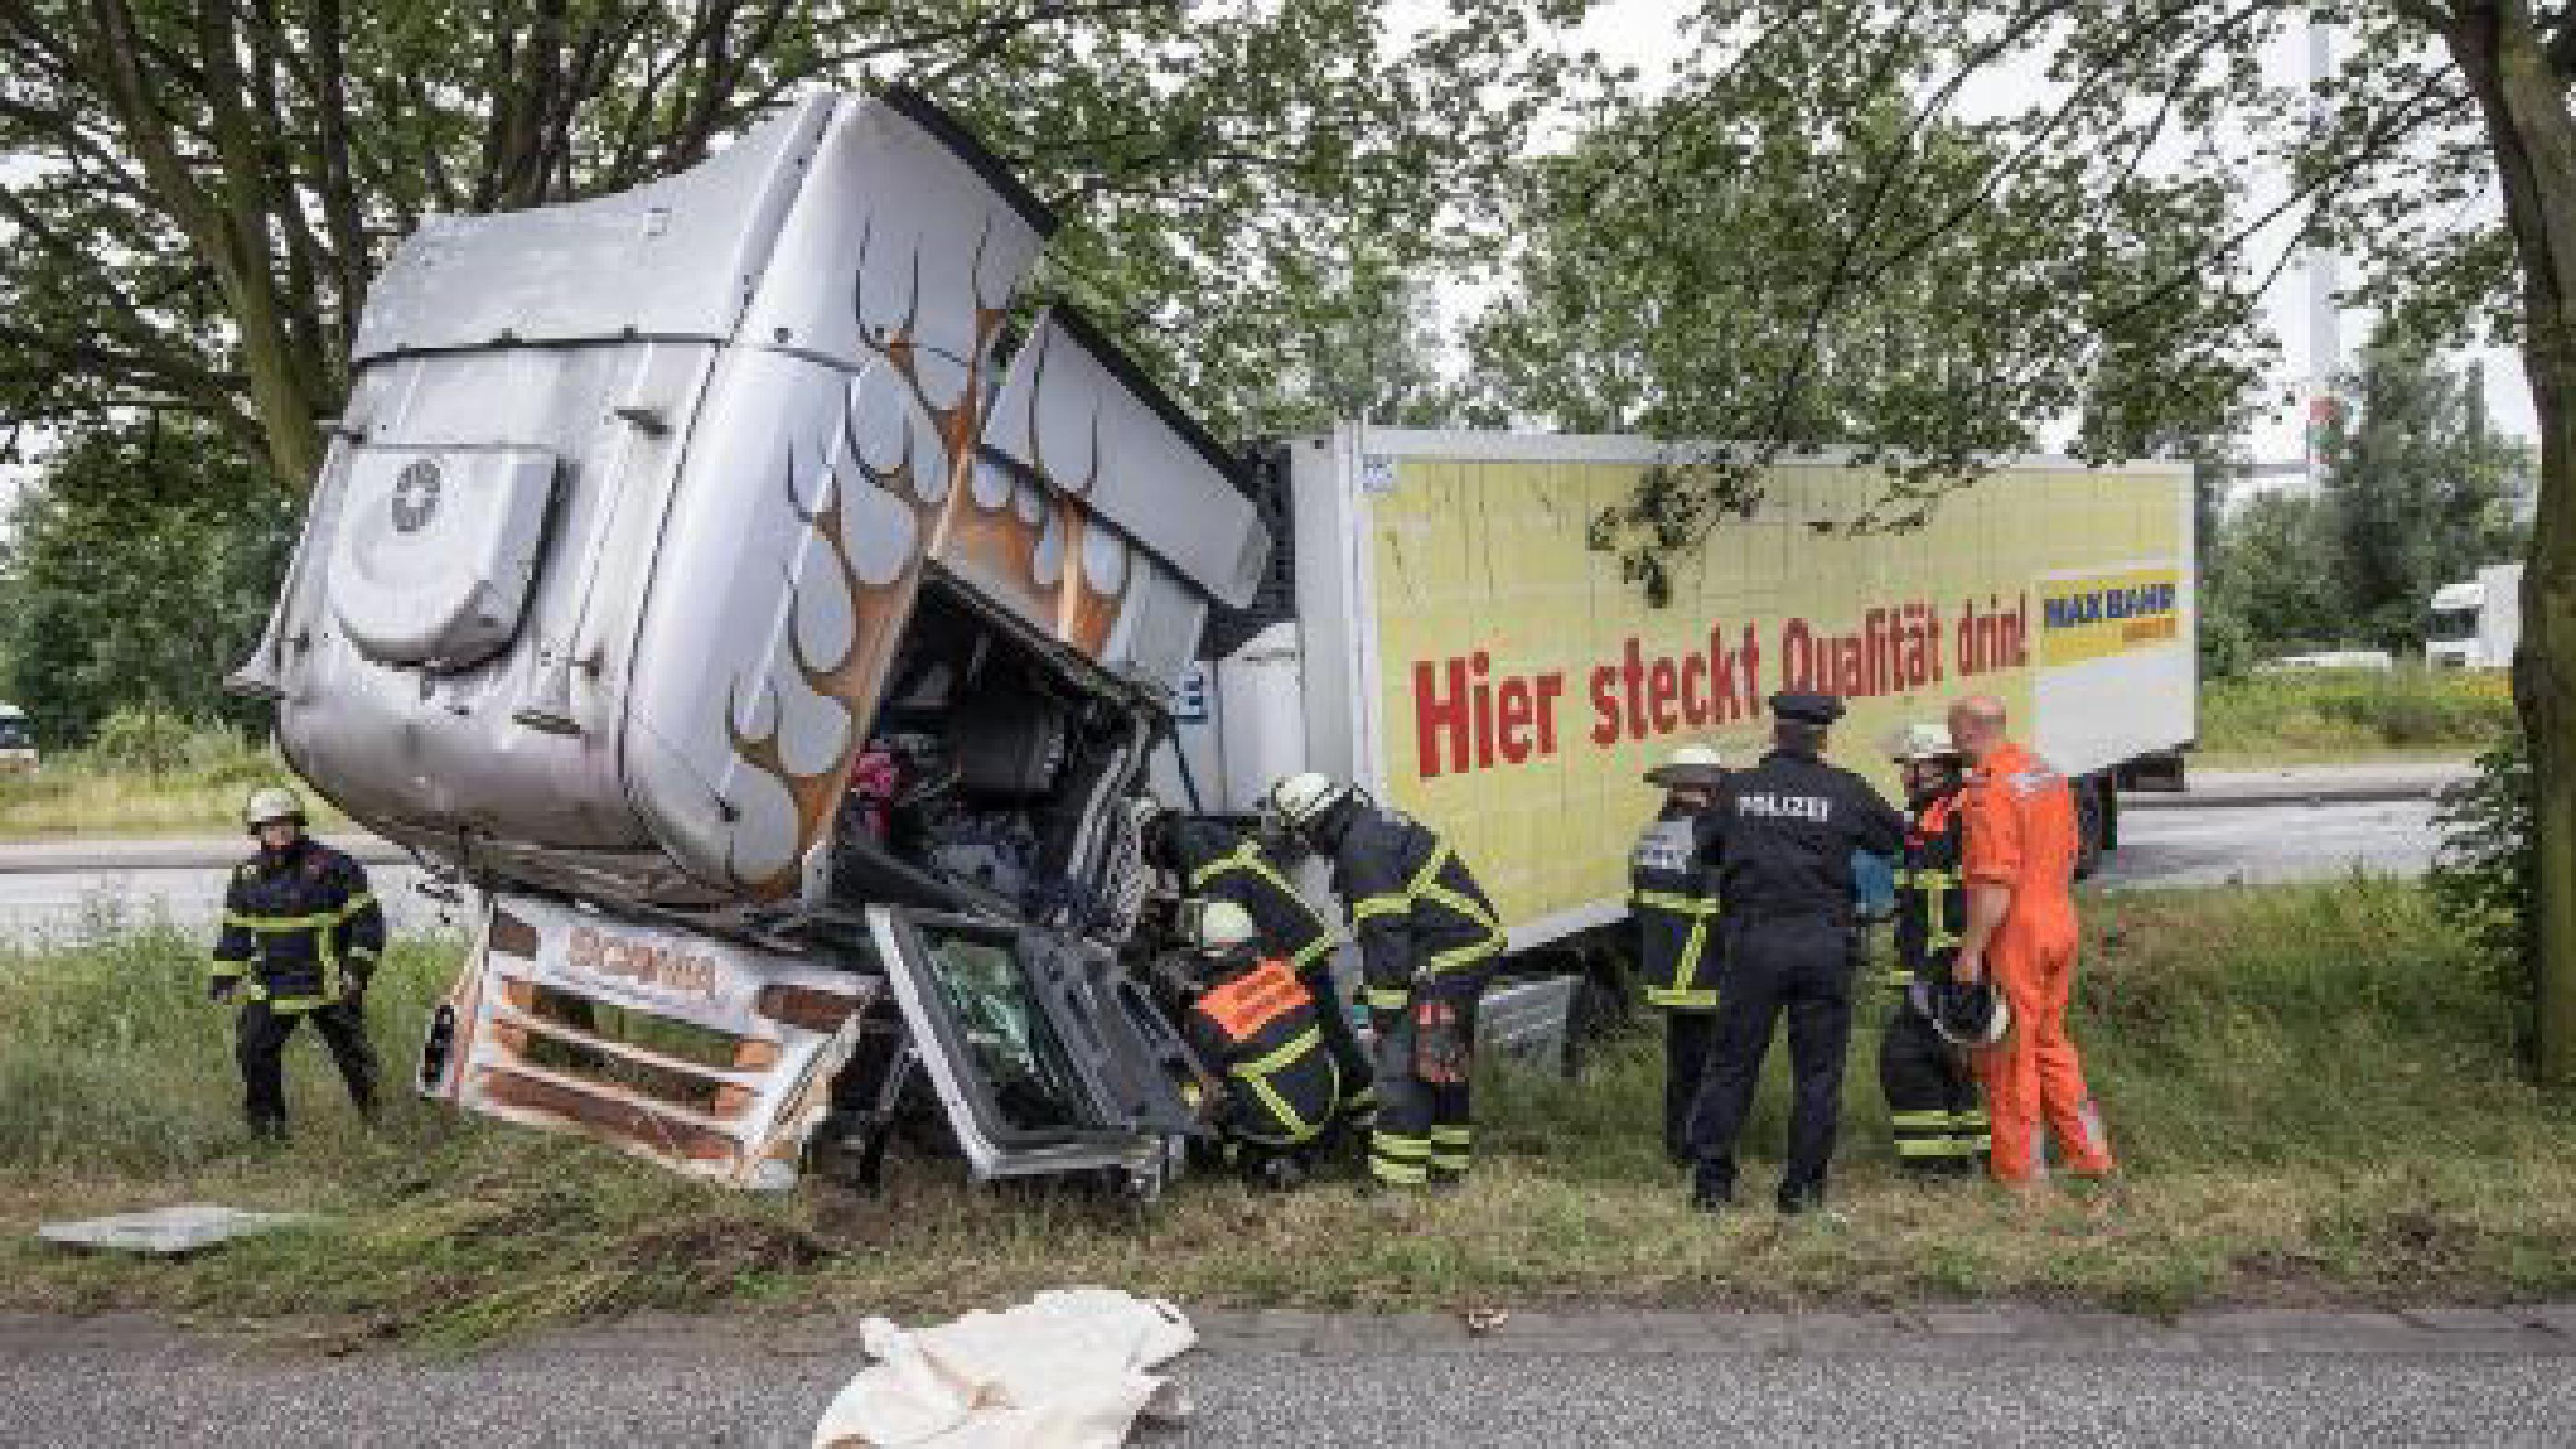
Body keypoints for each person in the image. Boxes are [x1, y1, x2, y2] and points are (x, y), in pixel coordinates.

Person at [1686, 692, 1908, 1215]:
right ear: (1823, 737)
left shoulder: (1736, 791)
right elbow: (1896, 839)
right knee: (1817, 1073)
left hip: (1754, 943)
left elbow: (1706, 850)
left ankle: (1712, 1187)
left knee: (1732, 1066)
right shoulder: (1846, 791)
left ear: (1774, 733)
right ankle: (1802, 1191)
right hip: (1822, 945)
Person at [1261, 772, 1504, 1191]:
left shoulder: (1361, 851)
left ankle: (1396, 1182)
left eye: (1297, 831)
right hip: (1464, 949)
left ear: (1310, 824)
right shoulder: (1369, 828)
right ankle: (1447, 1167)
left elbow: (1385, 937)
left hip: (1444, 959)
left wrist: (1386, 1014)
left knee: (1403, 1066)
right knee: (1442, 1062)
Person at [1945, 695, 2115, 1190]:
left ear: (1970, 730)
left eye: (1953, 731)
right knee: (2051, 1045)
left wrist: (1972, 951)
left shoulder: (1990, 793)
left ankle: (2021, 1177)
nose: (1952, 742)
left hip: (2017, 931)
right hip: (2059, 919)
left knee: (2010, 1055)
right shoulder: (2044, 774)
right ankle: (2091, 1156)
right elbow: (2069, 851)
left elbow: (1994, 884)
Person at [1134, 799, 1373, 1122]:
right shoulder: (1198, 837)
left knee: (1325, 1032)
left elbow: (1222, 910)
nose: (1151, 862)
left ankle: (1361, 1113)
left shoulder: (1194, 846)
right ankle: (1343, 1112)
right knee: (1310, 1035)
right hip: (1293, 943)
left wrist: (1181, 936)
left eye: (1145, 851)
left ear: (1151, 835)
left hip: (1292, 950)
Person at [212, 786, 385, 1140]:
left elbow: (367, 923)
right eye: (270, 825)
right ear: (257, 830)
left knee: (354, 1057)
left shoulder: (336, 867)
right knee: (253, 1053)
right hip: (272, 987)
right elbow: (235, 934)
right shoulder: (246, 877)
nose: (279, 831)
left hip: (332, 985)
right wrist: (224, 980)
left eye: (286, 823)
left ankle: (378, 1125)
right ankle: (269, 1135)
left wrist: (356, 970)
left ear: (298, 823)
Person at [1879, 723, 1991, 1177]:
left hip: (1947, 967)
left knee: (1908, 1059)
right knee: (1950, 1062)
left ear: (1937, 767)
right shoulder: (1931, 816)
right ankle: (1970, 1157)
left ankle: (1936, 1166)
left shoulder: (1961, 815)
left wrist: (1960, 960)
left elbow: (1971, 894)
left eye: (1912, 765)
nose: (1905, 774)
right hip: (1929, 966)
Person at [1175, 899, 1347, 1188]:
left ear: (1213, 952)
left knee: (1189, 1088)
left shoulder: (1209, 1013)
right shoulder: (1281, 973)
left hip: (1278, 1123)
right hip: (1323, 1105)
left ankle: (1234, 1154)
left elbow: (1205, 1082)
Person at [1630, 744, 1727, 1165]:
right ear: (1708, 786)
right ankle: (1700, 1148)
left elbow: (1640, 905)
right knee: (1709, 1067)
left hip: (1666, 970)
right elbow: (1722, 907)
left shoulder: (1651, 835)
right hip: (1704, 970)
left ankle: (1678, 1145)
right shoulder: (1710, 839)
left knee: (1682, 1064)